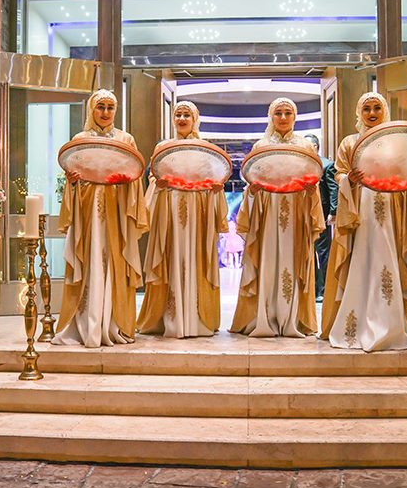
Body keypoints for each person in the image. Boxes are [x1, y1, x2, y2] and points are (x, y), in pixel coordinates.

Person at [320, 91, 407, 352]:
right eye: (367, 108)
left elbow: (406, 175)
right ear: (359, 112)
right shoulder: (350, 143)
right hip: (360, 212)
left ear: (384, 111)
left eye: (377, 108)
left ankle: (390, 325)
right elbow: (340, 174)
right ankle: (355, 326)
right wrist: (349, 181)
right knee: (362, 258)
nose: (372, 113)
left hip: (392, 212)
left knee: (388, 257)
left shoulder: (397, 142)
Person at [53, 89, 148, 348]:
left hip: (117, 211)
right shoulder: (80, 140)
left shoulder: (126, 140)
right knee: (90, 258)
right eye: (100, 107)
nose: (105, 112)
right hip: (88, 211)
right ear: (91, 109)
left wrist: (128, 182)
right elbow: (73, 177)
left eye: (110, 107)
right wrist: (72, 181)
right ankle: (86, 321)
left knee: (115, 260)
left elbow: (135, 176)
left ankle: (114, 323)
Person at [230, 97, 325, 338]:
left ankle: (293, 319)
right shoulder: (261, 147)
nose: (283, 117)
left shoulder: (305, 147)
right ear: (271, 116)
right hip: (268, 211)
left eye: (288, 113)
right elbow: (253, 180)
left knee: (294, 259)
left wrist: (310, 191)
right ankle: (265, 316)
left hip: (297, 211)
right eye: (278, 113)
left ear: (295, 116)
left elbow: (312, 180)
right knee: (268, 259)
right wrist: (253, 191)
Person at [137, 101, 228, 338]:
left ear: (195, 119)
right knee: (170, 255)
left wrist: (215, 189)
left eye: (187, 115)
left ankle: (198, 318)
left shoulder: (206, 150)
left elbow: (214, 180)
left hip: (198, 210)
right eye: (178, 114)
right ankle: (167, 316)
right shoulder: (163, 148)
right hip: (170, 209)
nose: (182, 119)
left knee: (196, 257)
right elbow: (154, 178)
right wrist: (158, 184)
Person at [304, 133, 338, 302]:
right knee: (307, 250)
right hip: (304, 212)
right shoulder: (301, 165)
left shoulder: (327, 164)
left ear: (315, 147)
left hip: (322, 213)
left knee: (323, 252)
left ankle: (324, 290)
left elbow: (333, 189)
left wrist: (333, 211)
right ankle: (312, 287)